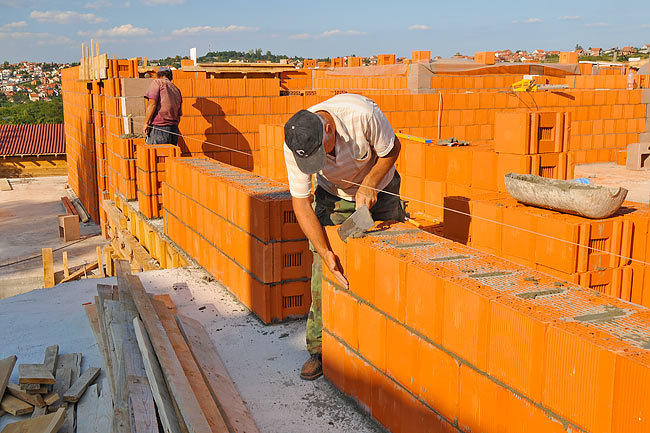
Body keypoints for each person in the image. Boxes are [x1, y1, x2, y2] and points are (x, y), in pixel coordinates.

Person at [283, 93, 405, 380]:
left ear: (328, 128)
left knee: (388, 266)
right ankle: (319, 349)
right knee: (322, 269)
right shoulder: (296, 141)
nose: (320, 159)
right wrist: (324, 251)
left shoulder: (361, 114)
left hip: (380, 191)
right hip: (333, 196)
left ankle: (386, 345)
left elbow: (392, 149)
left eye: (320, 152)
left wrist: (370, 184)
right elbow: (301, 202)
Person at [143, 66, 182, 145]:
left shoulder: (158, 83)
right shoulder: (176, 89)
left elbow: (152, 104)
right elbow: (179, 115)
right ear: (170, 76)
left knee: (156, 155)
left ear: (159, 75)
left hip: (159, 128)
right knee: (169, 156)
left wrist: (146, 123)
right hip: (174, 130)